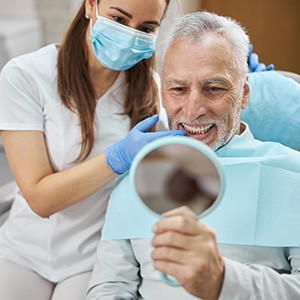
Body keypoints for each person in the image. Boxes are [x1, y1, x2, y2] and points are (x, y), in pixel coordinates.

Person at [86, 11, 300, 299]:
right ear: (163, 94)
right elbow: (110, 286)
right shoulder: (135, 178)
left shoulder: (292, 175)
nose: (193, 109)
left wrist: (223, 281)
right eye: (178, 89)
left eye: (213, 88)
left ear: (244, 93)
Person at [0, 0, 187, 299]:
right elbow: (39, 198)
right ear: (90, 5)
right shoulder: (25, 75)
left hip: (92, 257)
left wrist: (240, 86)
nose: (130, 35)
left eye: (146, 28)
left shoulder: (151, 93)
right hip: (23, 251)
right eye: (119, 19)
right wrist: (117, 158)